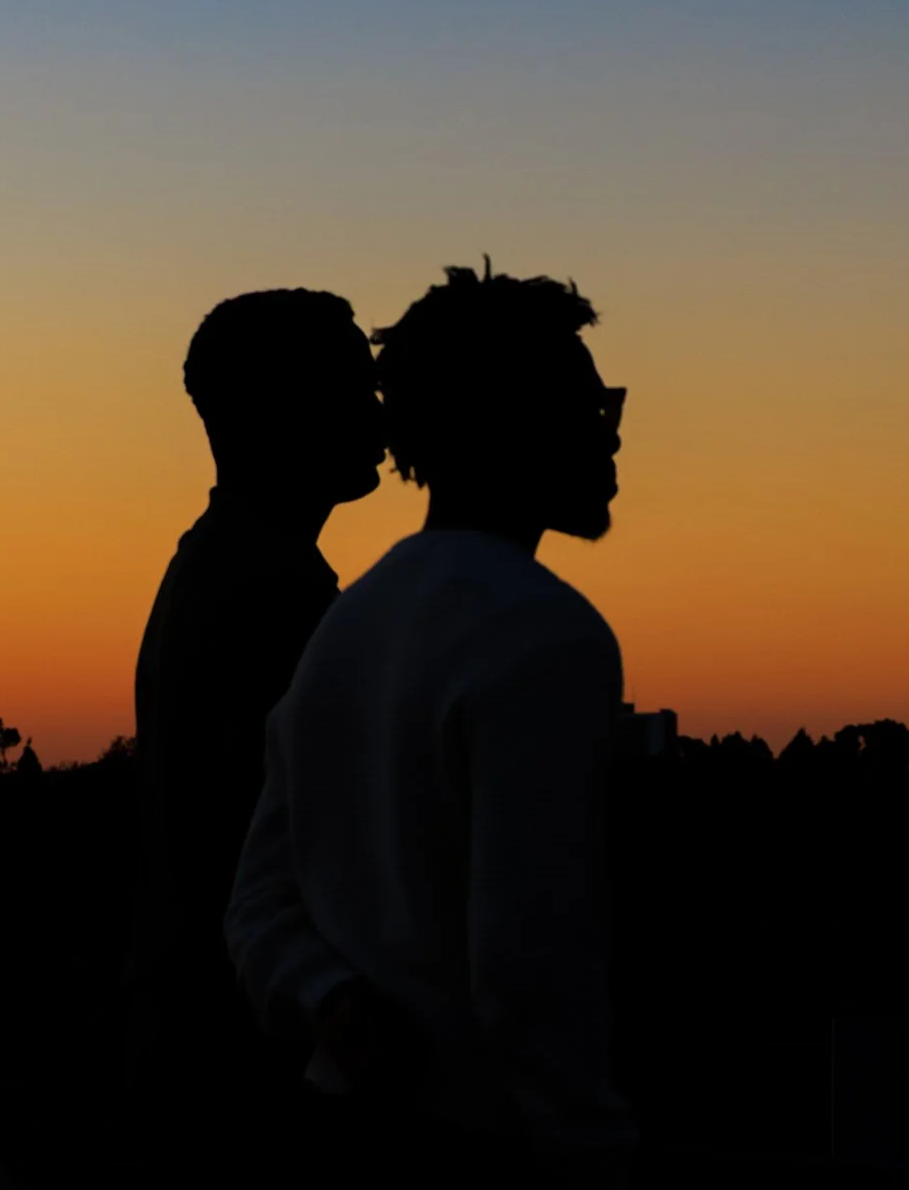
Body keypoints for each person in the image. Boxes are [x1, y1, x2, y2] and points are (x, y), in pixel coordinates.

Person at [226, 266, 635, 1184]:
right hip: (485, 1145)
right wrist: (593, 1147)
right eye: (585, 405)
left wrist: (330, 998)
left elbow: (257, 906)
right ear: (511, 424)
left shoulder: (350, 624)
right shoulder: (547, 632)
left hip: (345, 1123)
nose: (610, 435)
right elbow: (529, 962)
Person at [126, 290, 385, 1143]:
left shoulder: (228, 567)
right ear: (282, 411)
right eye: (354, 386)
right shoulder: (273, 593)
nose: (377, 410)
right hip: (257, 1061)